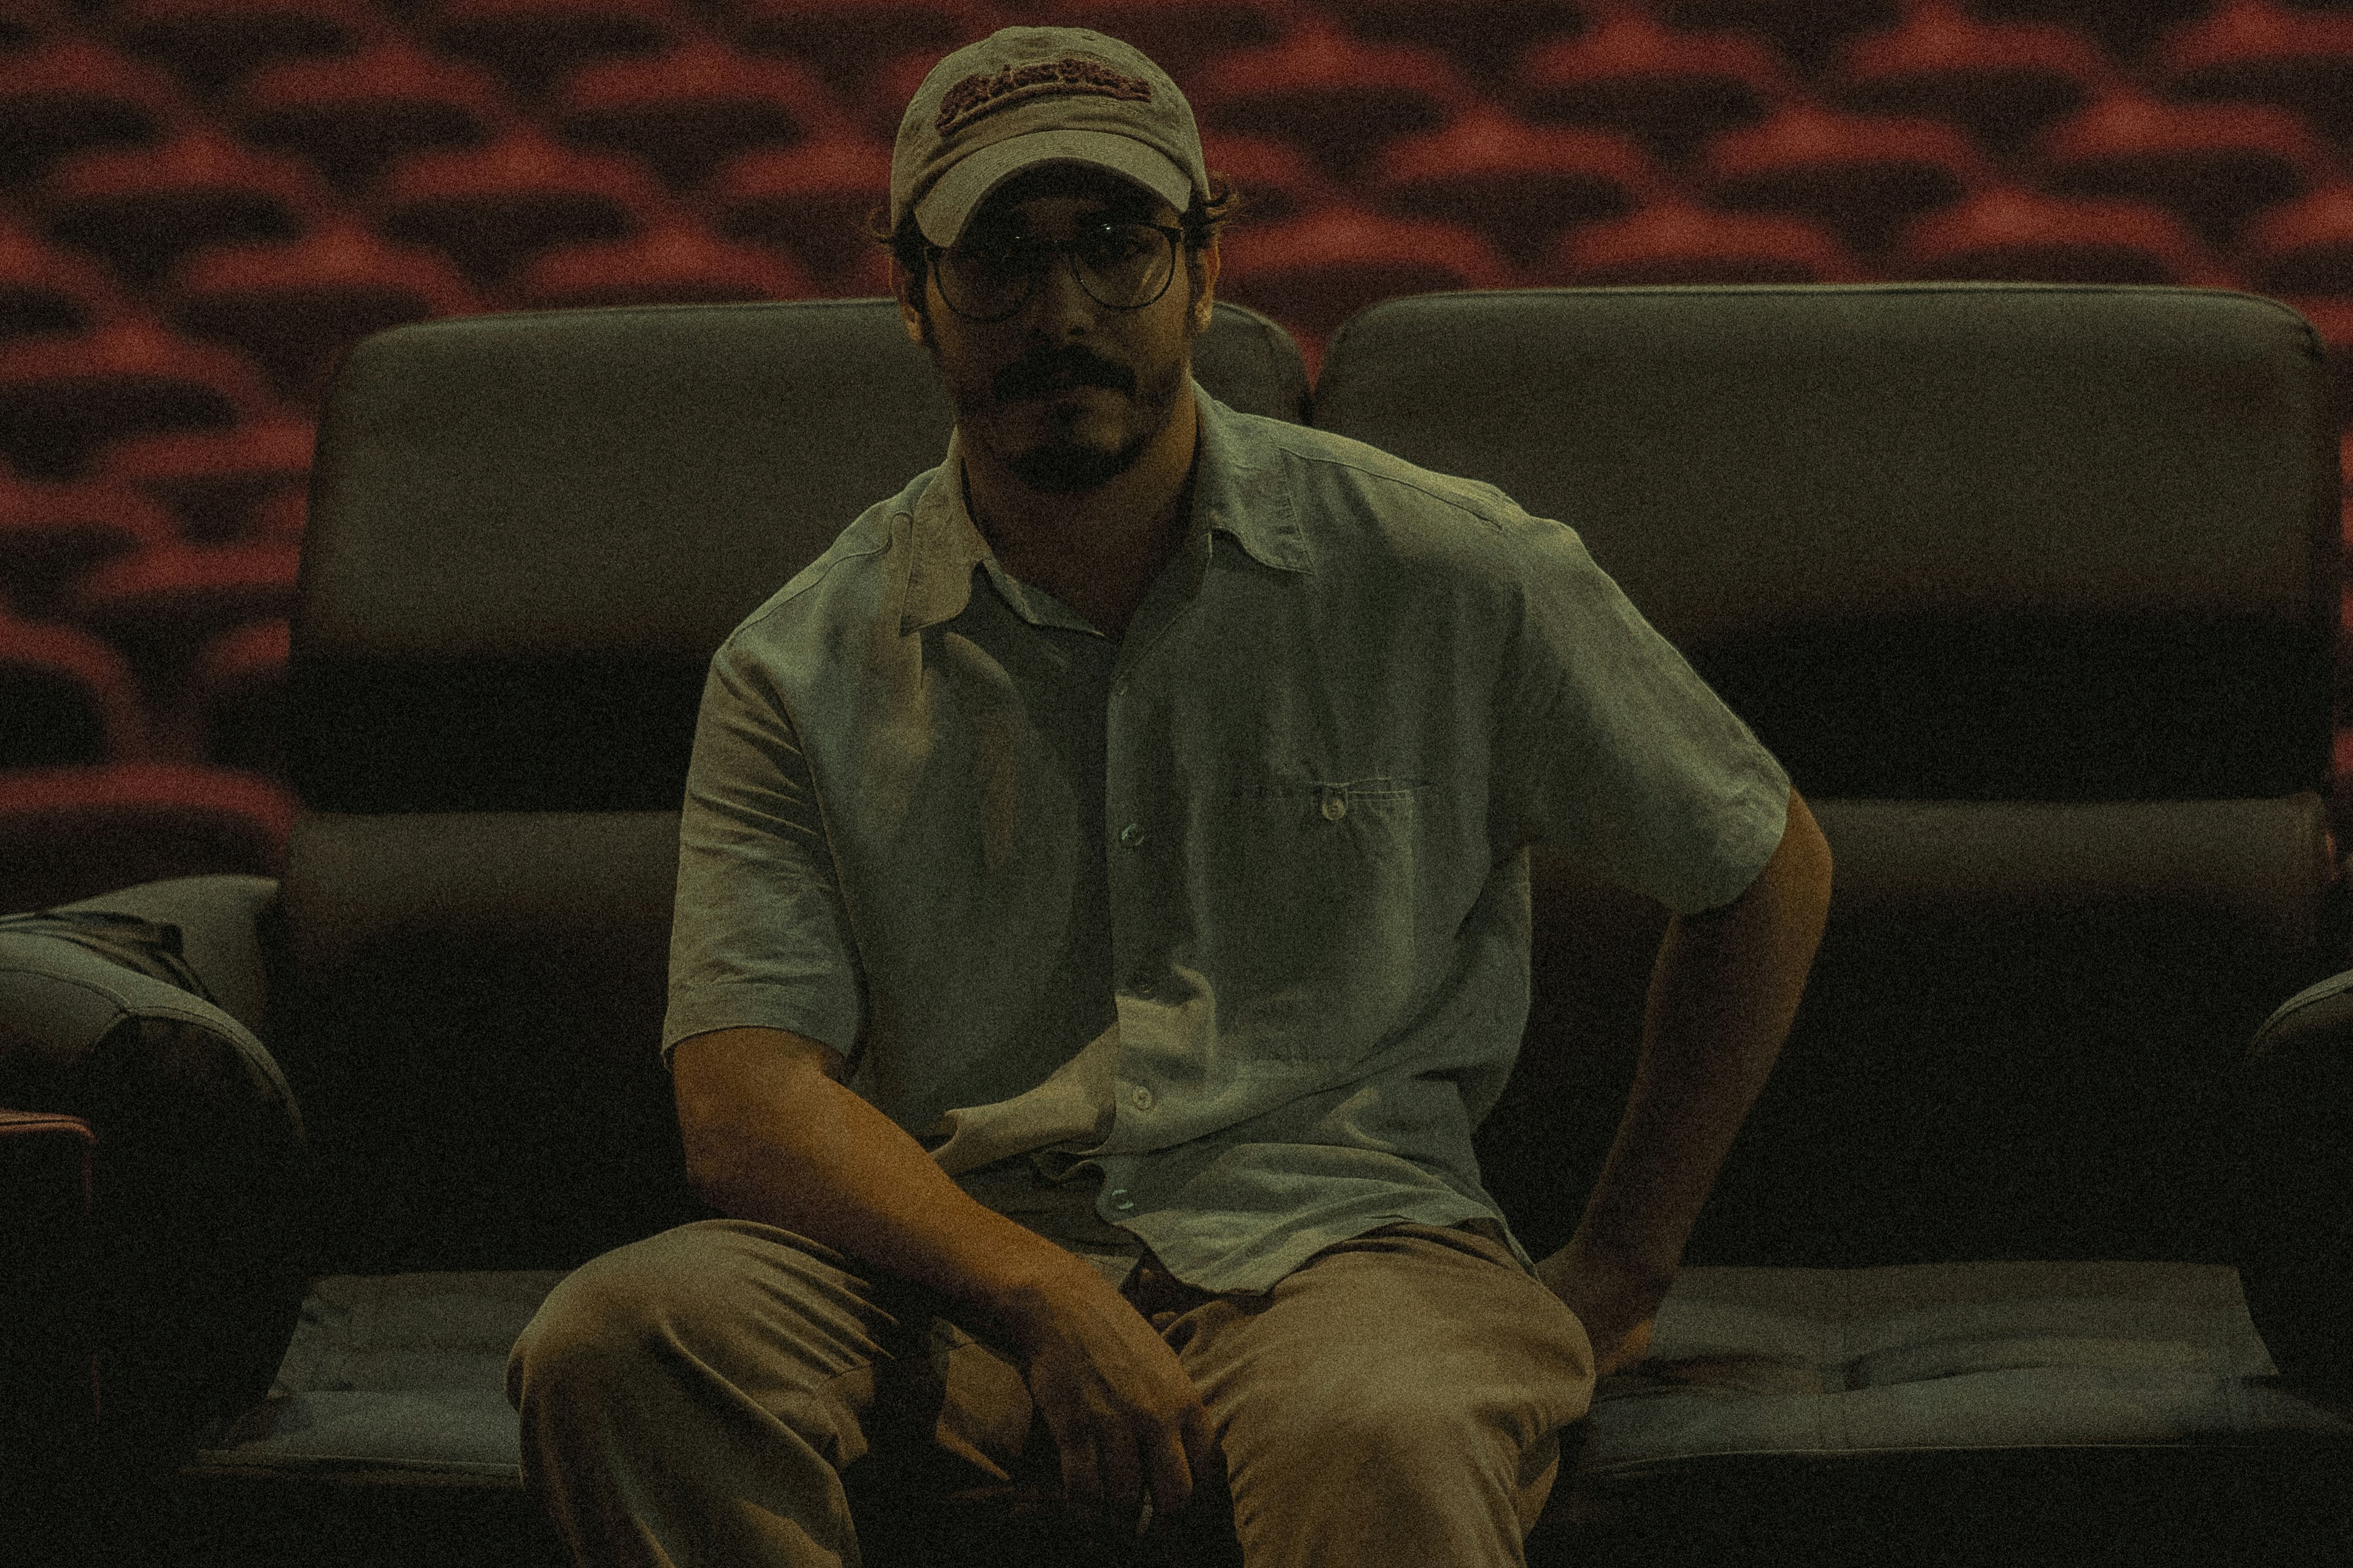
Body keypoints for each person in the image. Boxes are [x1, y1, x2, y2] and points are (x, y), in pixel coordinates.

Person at [505, 24, 1835, 1568]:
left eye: (1120, 248)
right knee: (618, 1339)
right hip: (957, 1271)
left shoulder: (1446, 571)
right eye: (995, 258)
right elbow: (745, 1102)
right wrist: (1042, 1289)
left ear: (1206, 271)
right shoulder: (795, 663)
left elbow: (1762, 861)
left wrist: (1623, 1260)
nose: (1061, 313)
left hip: (1355, 1253)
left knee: (1377, 1428)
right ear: (912, 298)